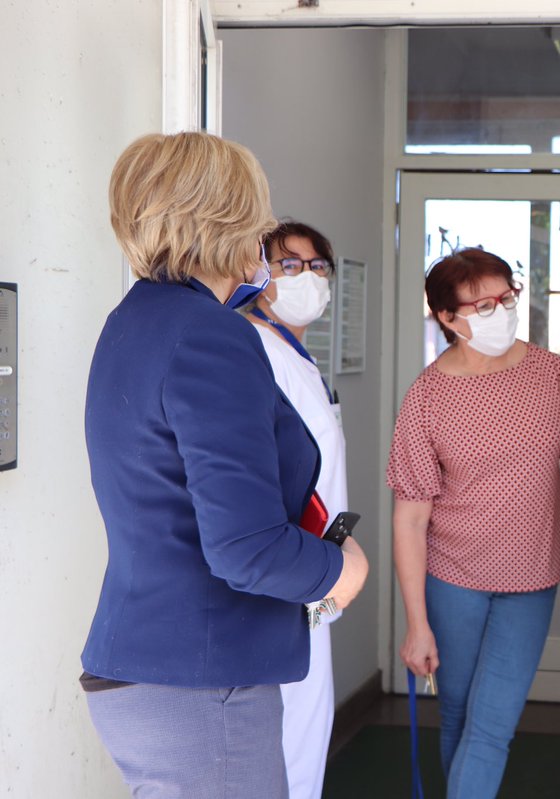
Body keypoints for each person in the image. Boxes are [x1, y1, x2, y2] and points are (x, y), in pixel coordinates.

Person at [80, 131, 369, 799]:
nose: (264, 233)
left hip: (150, 665)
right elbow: (246, 548)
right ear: (230, 218)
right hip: (200, 681)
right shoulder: (212, 334)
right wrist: (340, 571)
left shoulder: (134, 321)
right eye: (258, 216)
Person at [386, 248, 560, 799]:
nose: (500, 312)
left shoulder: (549, 371)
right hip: (452, 575)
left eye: (506, 298)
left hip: (531, 571)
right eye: (482, 306)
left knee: (492, 724)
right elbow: (410, 518)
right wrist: (416, 624)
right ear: (447, 318)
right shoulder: (427, 396)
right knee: (456, 713)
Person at [245, 220, 345, 799]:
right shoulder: (257, 348)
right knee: (290, 740)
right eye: (289, 265)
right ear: (258, 274)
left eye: (316, 266)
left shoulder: (295, 355)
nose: (306, 276)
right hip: (289, 577)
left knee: (307, 731)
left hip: (316, 577)